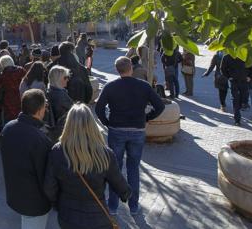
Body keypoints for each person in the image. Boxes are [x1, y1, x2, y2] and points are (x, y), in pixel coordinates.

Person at [95, 56, 165, 216]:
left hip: (116, 130)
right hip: (137, 131)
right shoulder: (144, 86)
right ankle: (134, 206)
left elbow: (99, 108)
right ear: (131, 69)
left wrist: (107, 122)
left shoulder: (111, 86)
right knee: (133, 168)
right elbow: (160, 106)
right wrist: (147, 118)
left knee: (115, 168)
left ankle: (112, 206)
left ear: (117, 70)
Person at [44, 104, 132, 229]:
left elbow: (49, 188)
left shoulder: (57, 152)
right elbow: (120, 184)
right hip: (98, 219)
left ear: (68, 124)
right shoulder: (105, 154)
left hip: (68, 218)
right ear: (92, 125)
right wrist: (126, 193)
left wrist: (58, 205)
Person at [0, 89, 53, 229]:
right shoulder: (40, 139)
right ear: (40, 110)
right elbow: (46, 177)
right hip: (35, 202)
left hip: (15, 194)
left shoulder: (8, 128)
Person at [220, 54, 252, 126]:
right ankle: (237, 120)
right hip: (234, 81)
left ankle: (242, 105)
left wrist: (250, 77)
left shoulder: (245, 54)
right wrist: (228, 77)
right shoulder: (227, 56)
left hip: (244, 81)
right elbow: (222, 68)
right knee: (235, 100)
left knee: (242, 99)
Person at [0, 55, 26, 123]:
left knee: (9, 119)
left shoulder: (2, 75)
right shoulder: (21, 70)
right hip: (21, 96)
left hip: (8, 99)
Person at [46, 65, 73, 139]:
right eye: (65, 78)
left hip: (55, 130)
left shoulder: (49, 90)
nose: (67, 80)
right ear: (57, 79)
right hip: (63, 131)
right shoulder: (60, 95)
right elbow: (74, 110)